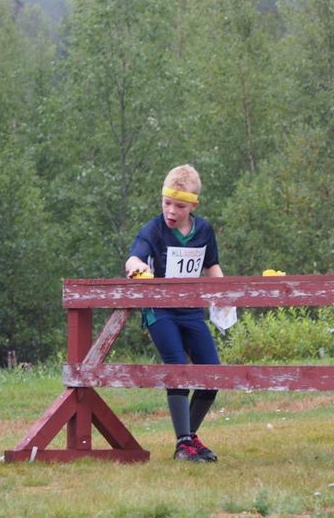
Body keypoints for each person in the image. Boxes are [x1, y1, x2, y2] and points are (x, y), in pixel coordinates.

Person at [125, 164, 224, 463]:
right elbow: (134, 257)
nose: (171, 211)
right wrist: (137, 267)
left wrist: (225, 295)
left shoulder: (203, 230)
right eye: (167, 203)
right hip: (160, 311)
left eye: (179, 206)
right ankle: (183, 444)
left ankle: (189, 437)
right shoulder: (153, 229)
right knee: (177, 366)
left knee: (212, 373)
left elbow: (212, 266)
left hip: (191, 311)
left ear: (193, 206)